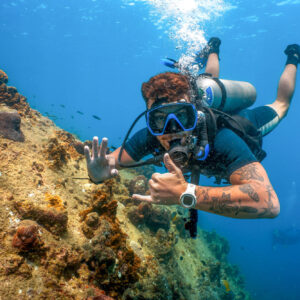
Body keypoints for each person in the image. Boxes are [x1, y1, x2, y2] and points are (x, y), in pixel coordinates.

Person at [84, 38, 299, 220]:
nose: (172, 129)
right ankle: (213, 48)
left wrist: (184, 193)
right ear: (150, 121)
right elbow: (110, 162)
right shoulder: (153, 136)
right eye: (159, 119)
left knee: (281, 105)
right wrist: (99, 172)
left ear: (195, 113)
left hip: (246, 120)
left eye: (182, 116)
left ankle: (293, 58)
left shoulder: (223, 138)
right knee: (207, 79)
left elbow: (269, 203)